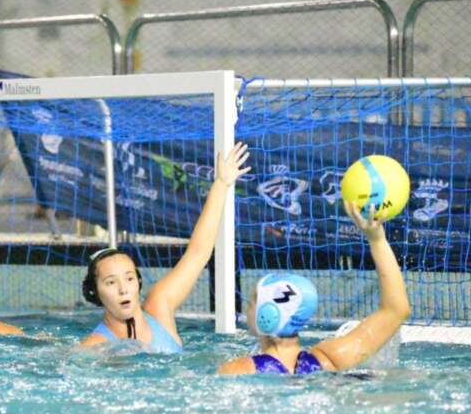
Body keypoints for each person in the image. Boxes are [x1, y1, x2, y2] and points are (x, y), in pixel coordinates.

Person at [79, 142, 251, 353]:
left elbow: (199, 253)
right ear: (94, 292)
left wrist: (221, 183)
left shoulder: (159, 307)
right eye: (111, 282)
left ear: (138, 282)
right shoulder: (94, 347)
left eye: (129, 278)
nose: (123, 289)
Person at [217, 201, 411, 374]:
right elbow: (396, 310)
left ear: (267, 315)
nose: (248, 308)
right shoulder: (330, 359)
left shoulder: (239, 369)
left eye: (252, 303)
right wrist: (377, 239)